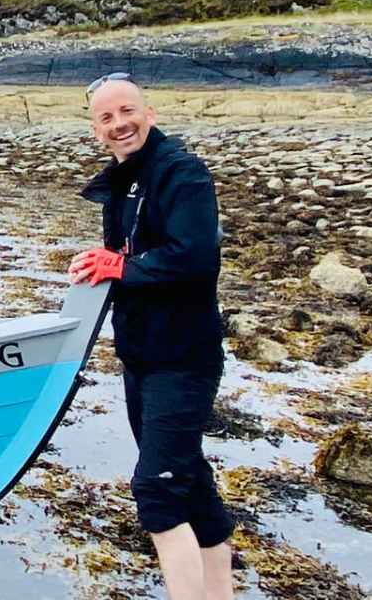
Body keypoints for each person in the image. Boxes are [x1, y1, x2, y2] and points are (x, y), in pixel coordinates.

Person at [69, 74, 235, 600]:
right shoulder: (123, 182)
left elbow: (195, 256)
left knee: (157, 492)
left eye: (127, 112)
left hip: (184, 358)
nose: (119, 125)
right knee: (190, 485)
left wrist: (120, 265)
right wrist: (100, 269)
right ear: (95, 129)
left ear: (150, 113)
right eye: (106, 118)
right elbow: (124, 260)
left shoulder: (181, 173)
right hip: (140, 356)